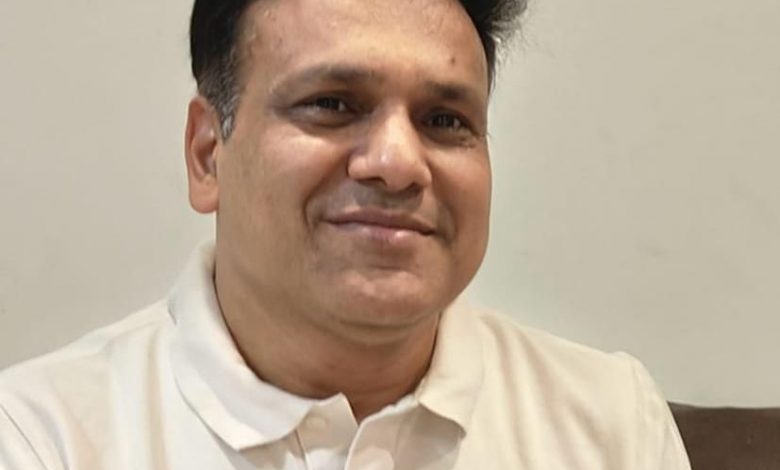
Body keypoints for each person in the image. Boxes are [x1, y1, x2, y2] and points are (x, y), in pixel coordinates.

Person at [0, 0, 691, 468]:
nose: (398, 163)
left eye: (444, 120)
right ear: (208, 154)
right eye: (332, 104)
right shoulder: (43, 438)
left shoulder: (609, 423)